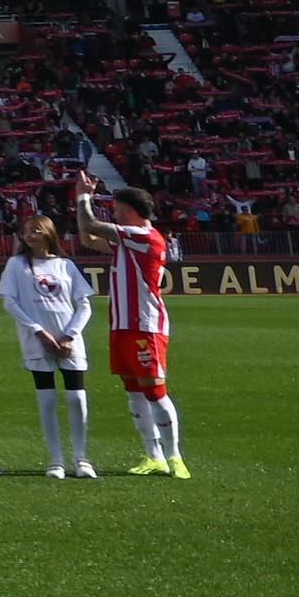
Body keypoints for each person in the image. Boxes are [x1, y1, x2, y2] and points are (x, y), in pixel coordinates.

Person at [74, 183, 188, 478]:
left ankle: (174, 456)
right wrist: (80, 201)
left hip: (145, 326)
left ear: (131, 212)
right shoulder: (128, 240)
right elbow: (88, 238)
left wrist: (84, 196)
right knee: (134, 390)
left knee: (154, 390)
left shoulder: (145, 236)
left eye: (118, 210)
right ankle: (154, 456)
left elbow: (91, 224)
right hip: (122, 325)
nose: (114, 214)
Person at [0, 214, 96, 479]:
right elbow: (10, 302)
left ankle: (81, 458)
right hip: (36, 340)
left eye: (36, 231)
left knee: (76, 397)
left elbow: (84, 304)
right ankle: (56, 459)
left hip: (68, 340)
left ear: (49, 234)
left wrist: (70, 335)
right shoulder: (17, 265)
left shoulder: (65, 265)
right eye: (27, 231)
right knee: (47, 398)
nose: (30, 235)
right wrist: (38, 331)